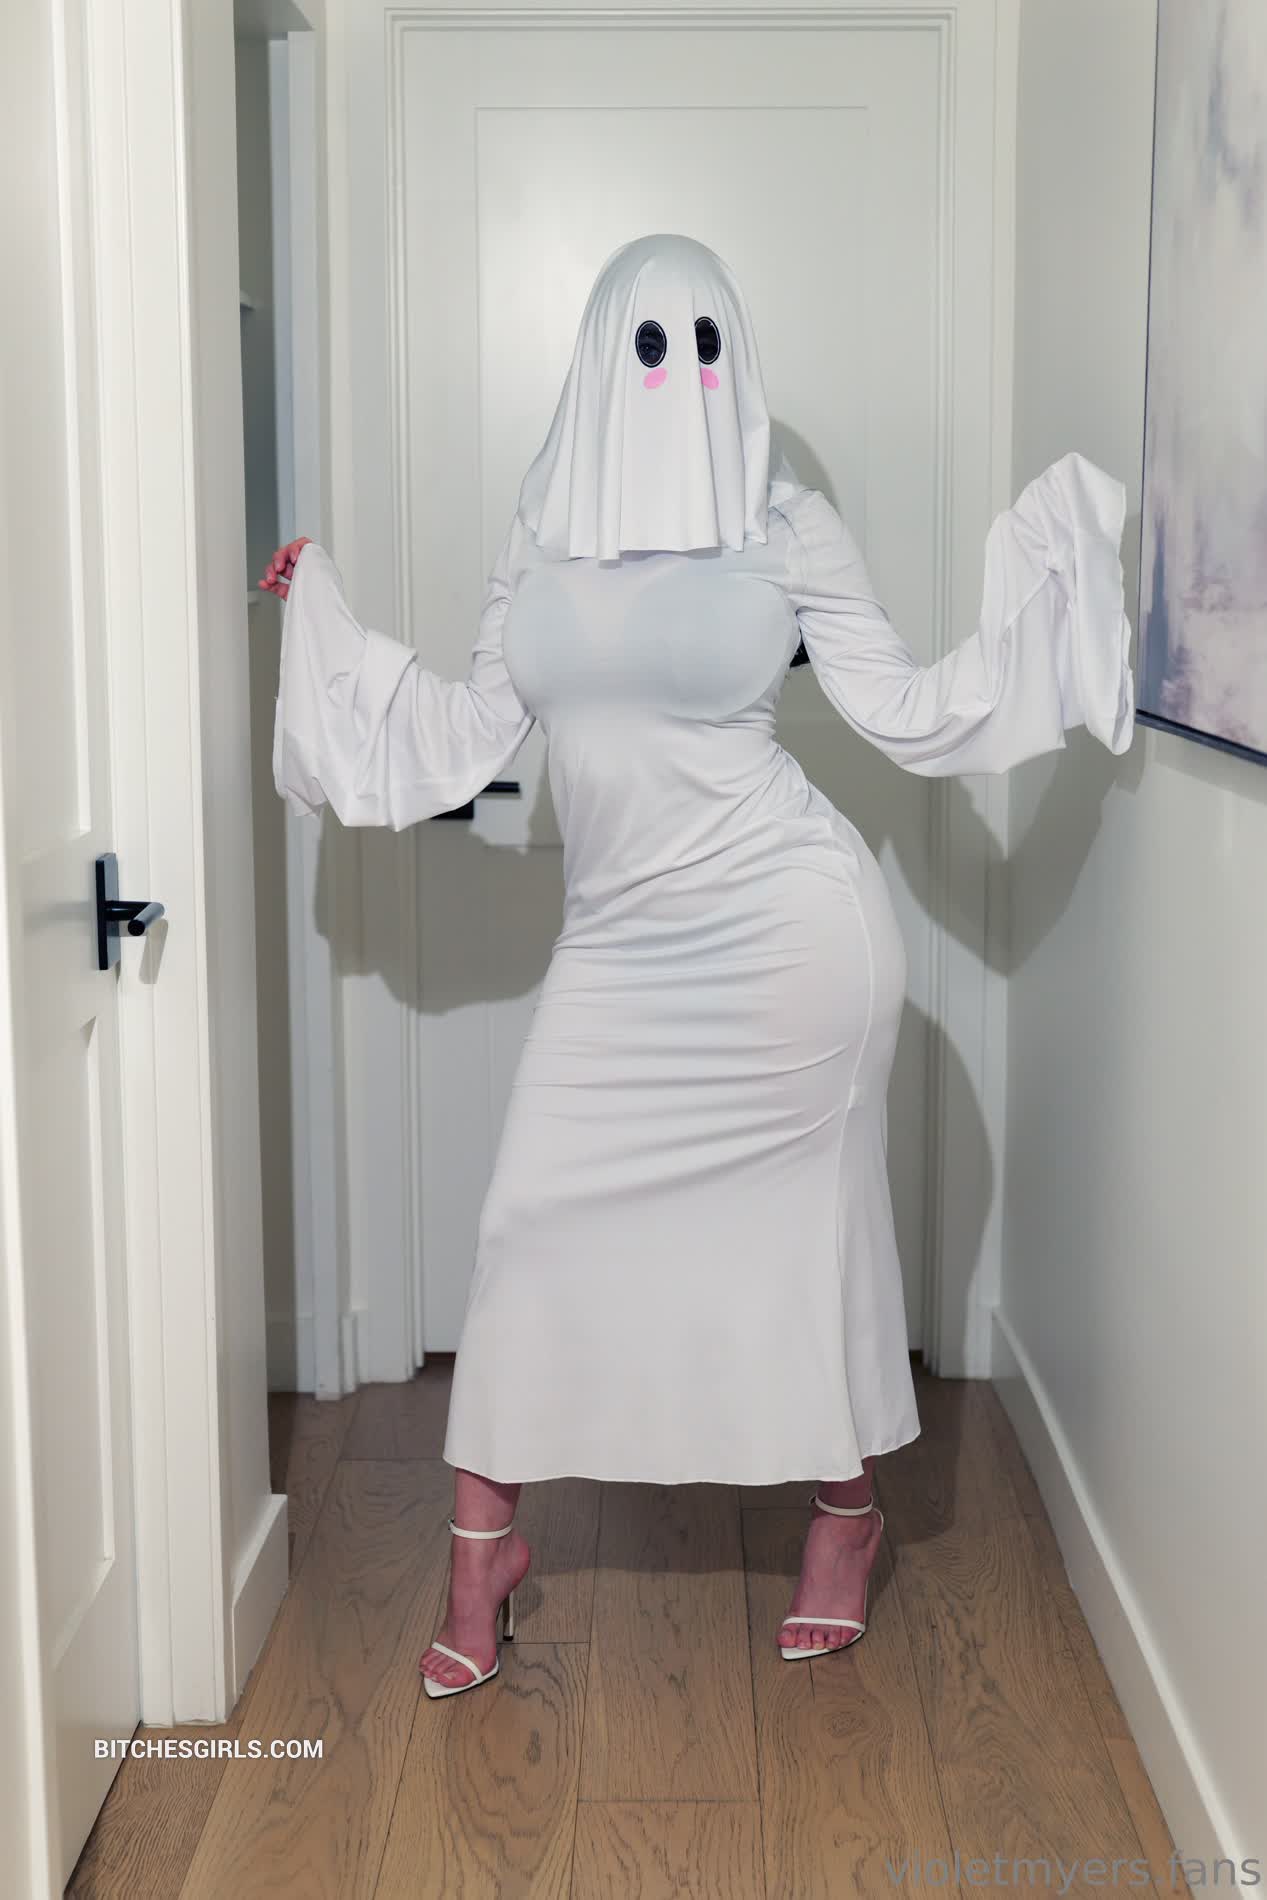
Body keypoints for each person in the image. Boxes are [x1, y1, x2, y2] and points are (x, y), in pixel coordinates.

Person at [261, 233, 1135, 1700]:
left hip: (790, 936)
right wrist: (327, 630)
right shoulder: (542, 527)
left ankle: (846, 1517)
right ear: (603, 351)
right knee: (528, 1227)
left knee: (804, 1243)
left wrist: (1054, 582)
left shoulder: (786, 526)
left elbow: (909, 707)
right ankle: (484, 1556)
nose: (684, 370)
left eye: (710, 340)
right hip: (618, 946)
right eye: (654, 343)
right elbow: (468, 730)